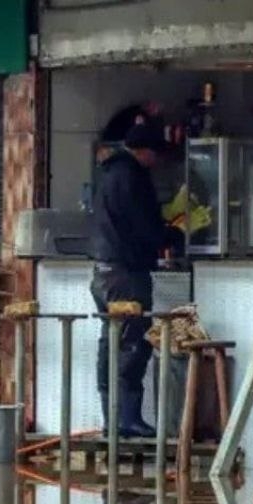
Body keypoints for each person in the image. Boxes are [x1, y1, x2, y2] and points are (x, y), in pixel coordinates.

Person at [90, 118, 183, 438]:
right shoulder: (132, 176)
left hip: (103, 274)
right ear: (145, 151)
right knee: (132, 344)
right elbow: (144, 226)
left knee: (111, 342)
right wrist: (171, 234)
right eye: (155, 154)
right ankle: (126, 420)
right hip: (126, 275)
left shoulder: (109, 173)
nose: (156, 162)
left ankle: (112, 419)